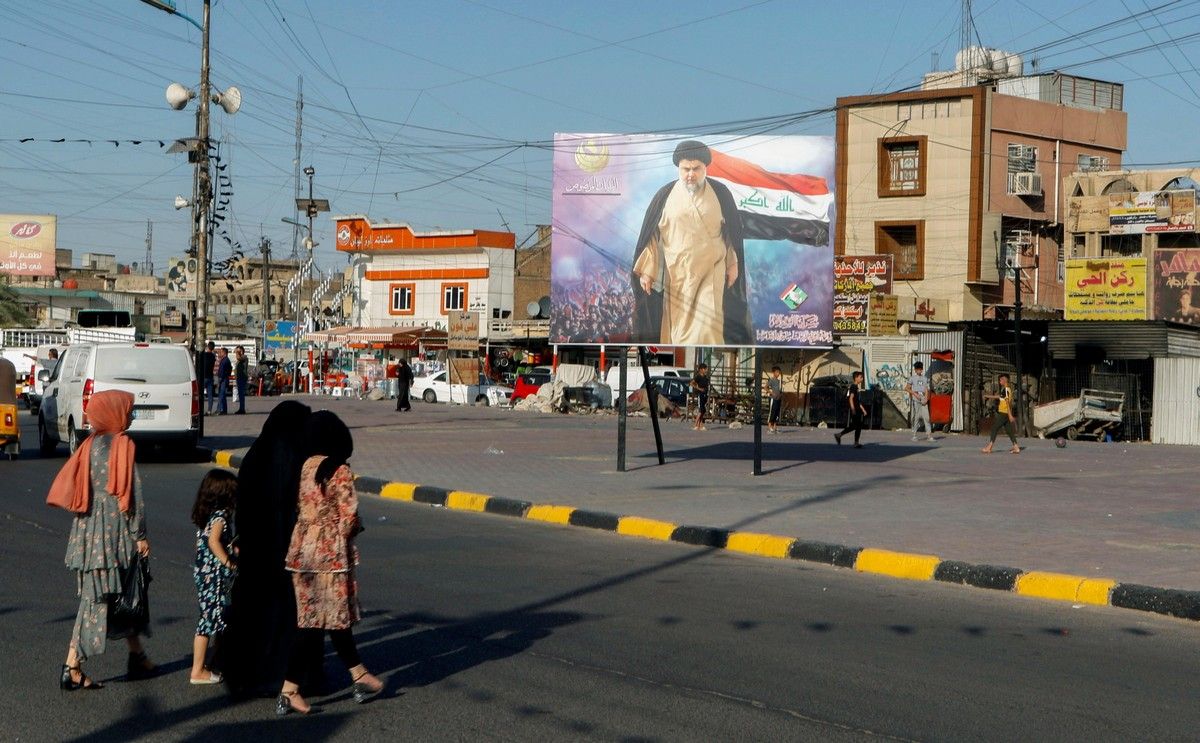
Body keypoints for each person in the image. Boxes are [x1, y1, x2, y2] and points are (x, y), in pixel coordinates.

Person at [277, 411, 383, 715]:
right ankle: (291, 689)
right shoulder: (339, 470)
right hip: (330, 555)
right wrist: (353, 528)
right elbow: (348, 516)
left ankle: (357, 675)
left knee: (315, 620)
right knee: (328, 620)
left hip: (302, 552)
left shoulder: (305, 466)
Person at [50, 389, 155, 691]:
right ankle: (72, 664)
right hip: (113, 531)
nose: (131, 416)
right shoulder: (123, 445)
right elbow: (132, 496)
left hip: (88, 529)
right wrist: (140, 535)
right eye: (128, 411)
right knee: (98, 598)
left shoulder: (89, 444)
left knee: (117, 591)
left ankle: (137, 656)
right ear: (115, 413)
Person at [220, 400, 312, 697]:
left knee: (251, 610)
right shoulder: (290, 456)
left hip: (254, 546)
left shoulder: (255, 454)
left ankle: (243, 673)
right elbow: (289, 506)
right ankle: (279, 675)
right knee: (280, 612)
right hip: (280, 548)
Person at [631, 139, 752, 345]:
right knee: (679, 332)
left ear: (705, 168)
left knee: (707, 327)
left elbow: (731, 233)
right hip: (677, 274)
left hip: (711, 271)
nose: (690, 174)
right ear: (678, 168)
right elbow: (652, 236)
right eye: (686, 169)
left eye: (696, 169)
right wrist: (647, 271)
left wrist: (732, 263)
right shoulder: (664, 195)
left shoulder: (720, 193)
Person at [190, 469, 238, 685]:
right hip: (215, 576)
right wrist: (228, 561)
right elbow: (213, 541)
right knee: (208, 621)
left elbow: (202, 544)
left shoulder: (206, 514)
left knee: (217, 618)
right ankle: (198, 670)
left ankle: (214, 662)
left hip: (204, 573)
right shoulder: (220, 516)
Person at [981, 373, 1021, 454]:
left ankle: (989, 447)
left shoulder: (1006, 390)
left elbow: (1007, 403)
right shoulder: (1007, 389)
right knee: (1009, 430)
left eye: (1000, 380)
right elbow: (1000, 397)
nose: (999, 382)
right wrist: (988, 396)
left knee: (994, 428)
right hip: (1005, 413)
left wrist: (1010, 415)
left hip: (1004, 413)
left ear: (1004, 380)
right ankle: (1016, 447)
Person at [834, 371, 868, 449]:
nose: (862, 379)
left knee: (857, 426)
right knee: (855, 426)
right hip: (855, 409)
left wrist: (863, 409)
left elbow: (858, 401)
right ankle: (840, 435)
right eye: (860, 377)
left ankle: (854, 442)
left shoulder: (856, 387)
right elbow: (851, 398)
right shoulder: (853, 387)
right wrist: (853, 409)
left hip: (858, 409)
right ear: (856, 378)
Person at [905, 361, 935, 442]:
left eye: (920, 369)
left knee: (927, 417)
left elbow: (926, 389)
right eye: (917, 369)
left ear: (922, 369)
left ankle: (929, 435)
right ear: (915, 370)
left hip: (923, 399)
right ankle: (914, 435)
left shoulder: (925, 379)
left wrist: (926, 399)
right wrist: (914, 394)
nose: (919, 371)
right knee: (917, 417)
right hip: (916, 399)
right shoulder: (912, 378)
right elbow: (907, 388)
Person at [690, 363, 711, 431]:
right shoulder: (698, 376)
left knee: (703, 410)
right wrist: (699, 388)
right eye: (705, 369)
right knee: (701, 410)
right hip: (700, 394)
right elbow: (691, 383)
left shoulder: (706, 377)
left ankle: (700, 425)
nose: (706, 370)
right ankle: (695, 425)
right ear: (701, 369)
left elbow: (707, 386)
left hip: (705, 395)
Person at [766, 366, 783, 434]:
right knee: (772, 413)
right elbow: (765, 387)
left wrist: (780, 394)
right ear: (773, 373)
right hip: (773, 399)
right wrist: (771, 393)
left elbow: (780, 390)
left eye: (779, 372)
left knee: (776, 413)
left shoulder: (779, 381)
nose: (778, 374)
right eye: (777, 372)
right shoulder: (772, 380)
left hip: (778, 398)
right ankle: (769, 428)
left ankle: (775, 427)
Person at [215, 347, 232, 416]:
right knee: (223, 395)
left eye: (221, 352)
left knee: (221, 395)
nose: (220, 353)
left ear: (224, 353)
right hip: (224, 379)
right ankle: (224, 410)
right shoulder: (226, 360)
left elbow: (222, 371)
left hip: (223, 379)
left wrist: (220, 379)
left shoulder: (225, 360)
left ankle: (220, 410)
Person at [234, 346, 249, 415]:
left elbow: (238, 358)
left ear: (242, 351)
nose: (237, 352)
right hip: (239, 378)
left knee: (241, 394)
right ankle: (241, 408)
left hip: (242, 378)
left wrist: (237, 352)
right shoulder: (240, 358)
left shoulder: (244, 357)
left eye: (238, 351)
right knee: (240, 394)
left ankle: (242, 409)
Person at [201, 341, 216, 414]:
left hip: (203, 377)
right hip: (210, 377)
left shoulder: (204, 355)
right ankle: (209, 410)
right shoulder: (213, 356)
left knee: (200, 394)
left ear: (207, 347)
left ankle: (200, 410)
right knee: (210, 395)